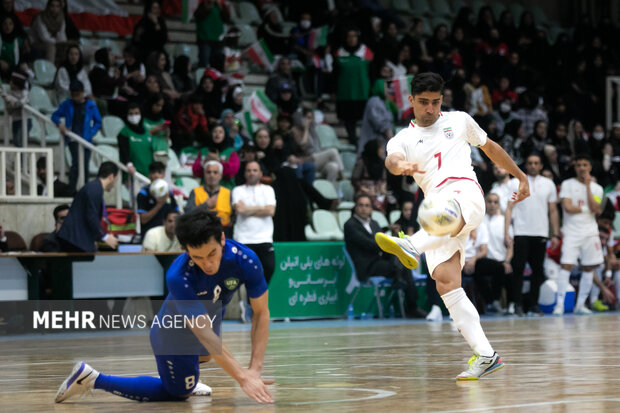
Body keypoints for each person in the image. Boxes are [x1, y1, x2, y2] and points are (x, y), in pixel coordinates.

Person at [375, 72, 530, 379]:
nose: (430, 108)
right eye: (423, 103)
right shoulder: (402, 138)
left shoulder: (459, 120)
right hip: (436, 209)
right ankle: (486, 355)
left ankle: (412, 244)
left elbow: (491, 148)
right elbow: (391, 161)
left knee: (441, 211)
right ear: (411, 102)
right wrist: (402, 166)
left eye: (435, 102)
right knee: (446, 282)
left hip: (465, 194)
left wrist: (520, 176)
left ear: (441, 100)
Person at [55, 209, 274, 404]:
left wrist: (255, 368)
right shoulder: (179, 276)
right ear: (185, 249)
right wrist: (243, 378)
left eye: (212, 254)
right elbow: (204, 333)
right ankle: (91, 378)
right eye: (197, 257)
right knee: (178, 393)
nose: (207, 264)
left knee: (206, 356)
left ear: (223, 239)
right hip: (173, 331)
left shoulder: (246, 259)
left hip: (211, 312)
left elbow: (262, 313)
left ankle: (180, 375)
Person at [344, 194, 424, 318]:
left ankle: (409, 299)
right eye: (361, 205)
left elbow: (383, 242)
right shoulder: (350, 225)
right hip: (367, 267)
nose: (364, 208)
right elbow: (369, 244)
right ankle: (410, 304)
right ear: (355, 207)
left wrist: (393, 239)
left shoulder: (374, 223)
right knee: (400, 264)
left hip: (380, 261)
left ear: (371, 209)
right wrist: (390, 244)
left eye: (367, 206)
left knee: (402, 262)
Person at [504, 153, 559, 316]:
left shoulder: (549, 184)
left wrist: (555, 234)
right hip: (521, 232)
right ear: (525, 165)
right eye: (530, 163)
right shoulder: (515, 182)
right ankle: (518, 304)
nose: (533, 165)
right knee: (518, 269)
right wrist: (507, 232)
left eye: (536, 163)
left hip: (540, 233)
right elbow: (509, 208)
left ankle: (534, 304)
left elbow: (553, 210)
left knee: (538, 271)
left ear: (541, 165)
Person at [554, 154, 604, 315]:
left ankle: (580, 305)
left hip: (590, 232)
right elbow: (568, 207)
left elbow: (596, 209)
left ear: (589, 167)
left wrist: (588, 186)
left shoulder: (597, 188)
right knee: (566, 265)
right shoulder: (567, 184)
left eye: (584, 165)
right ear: (575, 168)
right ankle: (560, 305)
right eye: (578, 165)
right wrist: (587, 209)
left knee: (589, 267)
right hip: (571, 231)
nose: (582, 168)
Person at [51, 80, 102, 191]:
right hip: (73, 139)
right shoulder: (67, 104)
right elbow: (55, 115)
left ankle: (85, 190)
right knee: (76, 165)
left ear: (83, 92)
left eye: (78, 95)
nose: (76, 98)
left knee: (85, 167)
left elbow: (98, 122)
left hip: (86, 141)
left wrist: (91, 133)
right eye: (73, 95)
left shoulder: (90, 105)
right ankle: (72, 190)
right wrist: (60, 125)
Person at [57, 162, 119, 252]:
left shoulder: (94, 187)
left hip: (78, 239)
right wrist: (105, 237)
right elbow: (91, 216)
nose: (114, 184)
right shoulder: (94, 189)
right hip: (75, 239)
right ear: (111, 177)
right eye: (115, 180)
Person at [232, 161, 276, 285]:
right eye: (249, 170)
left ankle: (257, 301)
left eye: (255, 170)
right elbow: (239, 210)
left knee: (269, 268)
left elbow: (271, 211)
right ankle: (247, 302)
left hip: (264, 238)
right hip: (244, 239)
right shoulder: (237, 190)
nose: (252, 173)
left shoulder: (268, 190)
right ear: (245, 173)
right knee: (245, 273)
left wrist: (248, 209)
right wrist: (261, 208)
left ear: (261, 173)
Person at [477, 193, 514, 314]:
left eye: (495, 202)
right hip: (484, 259)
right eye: (489, 201)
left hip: (501, 260)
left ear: (499, 204)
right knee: (476, 272)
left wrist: (507, 261)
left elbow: (510, 246)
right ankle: (491, 302)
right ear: (485, 203)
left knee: (508, 270)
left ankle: (510, 305)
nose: (492, 205)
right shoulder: (478, 221)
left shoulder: (504, 222)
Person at [186, 160, 232, 236]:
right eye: (208, 172)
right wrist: (206, 205)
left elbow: (234, 216)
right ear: (204, 174)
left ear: (220, 175)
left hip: (223, 233)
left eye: (215, 172)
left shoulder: (228, 193)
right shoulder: (195, 192)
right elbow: (188, 214)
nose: (211, 175)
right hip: (200, 232)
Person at [137, 161, 179, 237]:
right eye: (153, 172)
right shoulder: (143, 194)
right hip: (150, 235)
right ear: (149, 175)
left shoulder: (169, 193)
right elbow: (143, 220)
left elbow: (176, 214)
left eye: (159, 172)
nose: (156, 175)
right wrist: (159, 205)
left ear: (163, 175)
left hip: (167, 236)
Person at [118, 102, 155, 177]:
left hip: (148, 173)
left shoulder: (147, 132)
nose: (134, 116)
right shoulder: (124, 132)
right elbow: (123, 151)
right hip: (132, 174)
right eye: (131, 114)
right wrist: (128, 164)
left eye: (136, 113)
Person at [194, 0, 228, 68]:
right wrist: (207, 7)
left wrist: (220, 6)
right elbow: (198, 16)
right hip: (205, 39)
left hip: (218, 41)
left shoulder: (220, 6)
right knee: (204, 63)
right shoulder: (204, 4)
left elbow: (226, 18)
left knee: (217, 65)